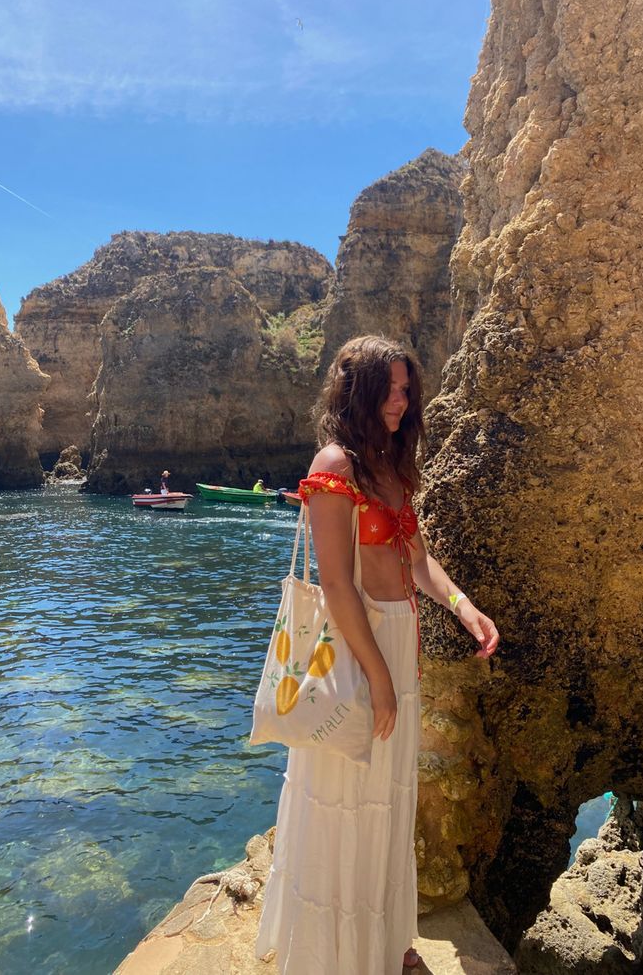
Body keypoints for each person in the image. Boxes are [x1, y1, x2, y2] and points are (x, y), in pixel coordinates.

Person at [255, 335, 499, 974]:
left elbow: (417, 559)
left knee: (389, 800)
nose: (402, 399)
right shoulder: (335, 464)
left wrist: (463, 606)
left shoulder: (390, 465)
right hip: (359, 646)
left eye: (405, 387)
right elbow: (336, 583)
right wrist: (380, 679)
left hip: (398, 640)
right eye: (389, 388)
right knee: (346, 794)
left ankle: (389, 945)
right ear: (358, 392)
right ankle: (339, 957)